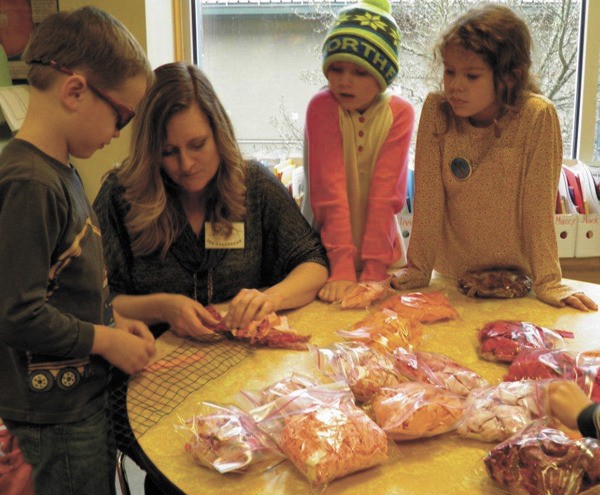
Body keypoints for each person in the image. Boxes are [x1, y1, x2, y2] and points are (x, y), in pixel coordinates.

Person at [92, 62, 329, 494]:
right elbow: (98, 303)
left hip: (251, 386)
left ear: (219, 132)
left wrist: (269, 297)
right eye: (168, 151)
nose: (185, 164)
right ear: (149, 151)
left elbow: (312, 264)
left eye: (197, 144)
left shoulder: (252, 184)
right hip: (155, 389)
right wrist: (162, 306)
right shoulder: (120, 197)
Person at [0, 7, 156, 495]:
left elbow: (66, 284)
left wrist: (109, 322)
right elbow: (17, 313)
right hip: (56, 415)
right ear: (74, 91)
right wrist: (104, 341)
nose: (120, 132)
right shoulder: (28, 183)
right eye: (122, 115)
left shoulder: (59, 169)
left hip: (80, 396)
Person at [391, 4, 597, 312]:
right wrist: (418, 270)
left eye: (472, 76)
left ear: (510, 78)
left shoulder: (537, 117)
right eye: (449, 71)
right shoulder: (437, 110)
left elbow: (537, 211)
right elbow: (430, 201)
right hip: (453, 276)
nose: (454, 85)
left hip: (516, 280)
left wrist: (549, 282)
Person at [301, 0, 414, 303]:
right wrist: (340, 268)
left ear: (382, 76)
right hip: (323, 258)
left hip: (383, 258)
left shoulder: (400, 113)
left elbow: (386, 194)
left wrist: (375, 269)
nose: (344, 80)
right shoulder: (322, 107)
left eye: (360, 72)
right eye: (336, 68)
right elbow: (328, 193)